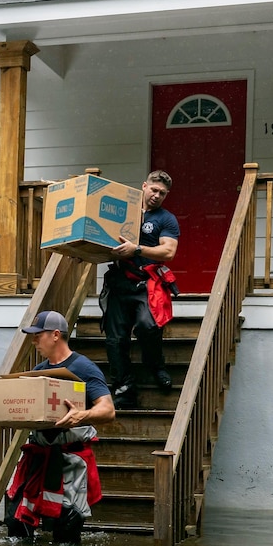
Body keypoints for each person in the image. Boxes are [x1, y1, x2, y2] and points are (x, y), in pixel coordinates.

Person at [4, 310, 117, 544]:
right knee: (16, 522)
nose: (34, 341)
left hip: (70, 458)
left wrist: (81, 416)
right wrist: (3, 419)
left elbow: (108, 410)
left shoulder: (84, 368)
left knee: (66, 529)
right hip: (37, 456)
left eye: (38, 336)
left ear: (56, 335)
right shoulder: (39, 373)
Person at [102, 170, 180, 409]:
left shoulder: (166, 219)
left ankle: (155, 365)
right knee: (115, 339)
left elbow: (168, 251)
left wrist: (137, 249)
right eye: (154, 190)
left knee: (148, 325)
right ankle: (124, 388)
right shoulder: (122, 211)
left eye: (162, 193)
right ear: (144, 186)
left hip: (147, 282)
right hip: (119, 281)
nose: (157, 195)